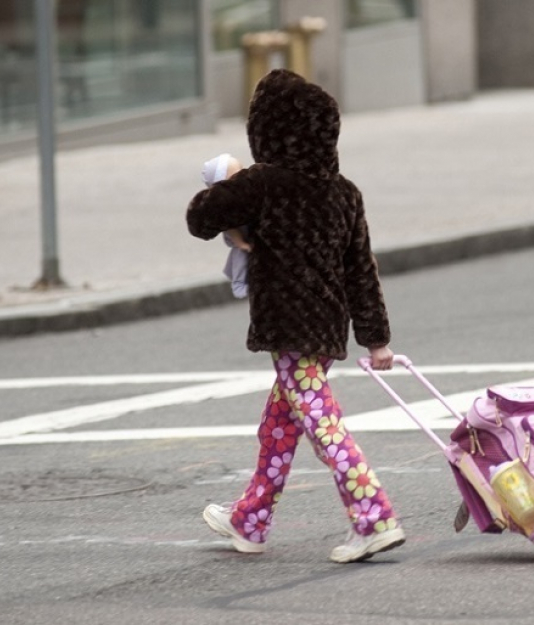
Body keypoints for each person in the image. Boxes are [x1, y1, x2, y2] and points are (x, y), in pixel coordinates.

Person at [186, 69, 404, 564]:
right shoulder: (345, 192)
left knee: (324, 425)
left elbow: (200, 218)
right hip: (327, 327)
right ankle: (250, 519)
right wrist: (376, 340)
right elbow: (360, 271)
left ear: (267, 128)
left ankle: (373, 517)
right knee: (279, 426)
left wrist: (231, 180)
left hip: (287, 326)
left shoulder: (263, 184)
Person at [201, 153, 250, 299]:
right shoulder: (226, 205)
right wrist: (240, 243)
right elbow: (229, 227)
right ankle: (239, 284)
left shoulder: (247, 190)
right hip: (241, 237)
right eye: (237, 174)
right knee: (240, 259)